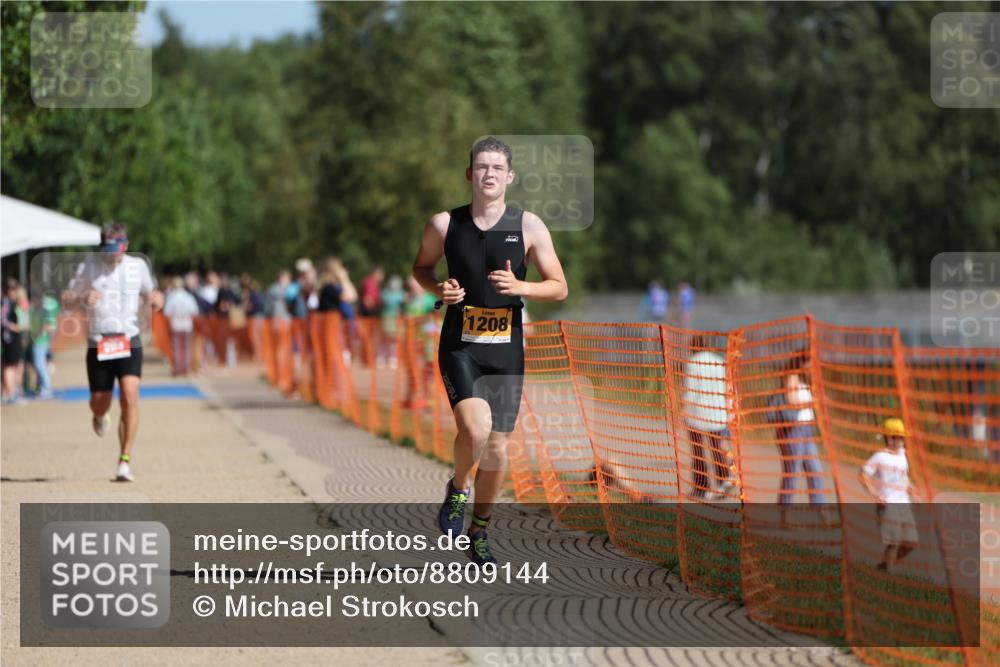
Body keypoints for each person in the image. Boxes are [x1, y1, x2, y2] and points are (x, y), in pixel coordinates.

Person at [411, 136, 569, 566]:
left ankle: (479, 531)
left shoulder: (529, 226)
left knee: (498, 449)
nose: (489, 174)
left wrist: (522, 287)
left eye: (497, 168)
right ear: (469, 174)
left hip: (506, 349)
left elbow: (559, 286)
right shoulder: (444, 225)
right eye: (481, 167)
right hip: (461, 345)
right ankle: (458, 488)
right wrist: (438, 288)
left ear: (510, 176)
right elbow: (421, 268)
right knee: (475, 430)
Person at [61, 223, 163, 482]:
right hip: (99, 342)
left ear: (126, 246)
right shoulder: (89, 265)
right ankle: (99, 414)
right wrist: (82, 298)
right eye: (107, 249)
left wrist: (157, 300)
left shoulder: (137, 266)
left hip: (129, 339)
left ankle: (124, 460)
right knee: (100, 401)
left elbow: (152, 293)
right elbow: (67, 298)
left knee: (129, 395)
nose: (112, 254)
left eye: (116, 249)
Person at [767, 352, 830, 525]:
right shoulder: (792, 377)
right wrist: (813, 402)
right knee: (792, 473)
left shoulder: (807, 381)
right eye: (810, 363)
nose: (812, 368)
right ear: (802, 363)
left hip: (807, 430)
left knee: (815, 471)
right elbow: (793, 402)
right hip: (792, 431)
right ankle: (784, 515)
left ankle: (820, 511)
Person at [859, 418, 920, 572]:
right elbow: (863, 475)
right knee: (893, 542)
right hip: (888, 505)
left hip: (904, 504)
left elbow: (904, 478)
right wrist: (874, 494)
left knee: (911, 543)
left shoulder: (903, 455)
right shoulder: (880, 456)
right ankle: (889, 573)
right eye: (898, 437)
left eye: (902, 437)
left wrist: (912, 491)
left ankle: (884, 566)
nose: (901, 440)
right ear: (890, 438)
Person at [682, 338, 735, 501]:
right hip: (718, 412)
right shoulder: (718, 361)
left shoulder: (693, 362)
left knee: (698, 452)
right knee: (717, 449)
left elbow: (691, 391)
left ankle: (701, 487)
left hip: (698, 414)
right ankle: (724, 480)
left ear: (692, 347)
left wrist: (683, 409)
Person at [163, 277, 200, 376]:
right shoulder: (189, 297)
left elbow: (167, 313)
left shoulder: (172, 296)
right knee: (187, 347)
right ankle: (186, 368)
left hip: (176, 324)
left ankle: (178, 368)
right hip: (187, 324)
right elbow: (194, 312)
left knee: (177, 348)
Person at [28, 290, 60, 398]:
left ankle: (47, 388)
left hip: (41, 341)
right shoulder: (34, 310)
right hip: (38, 340)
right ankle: (42, 387)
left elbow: (50, 326)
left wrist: (40, 334)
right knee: (39, 364)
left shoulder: (44, 310)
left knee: (40, 364)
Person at [1, 279, 25, 405]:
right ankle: (11, 395)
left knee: (11, 365)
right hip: (9, 338)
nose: (15, 292)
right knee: (10, 366)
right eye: (13, 289)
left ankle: (8, 393)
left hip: (10, 338)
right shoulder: (6, 302)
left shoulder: (9, 302)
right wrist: (14, 327)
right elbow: (3, 320)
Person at [380, 275, 406, 369]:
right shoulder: (385, 293)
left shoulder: (401, 293)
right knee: (385, 340)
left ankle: (393, 357)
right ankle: (382, 358)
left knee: (394, 340)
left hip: (397, 319)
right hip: (386, 319)